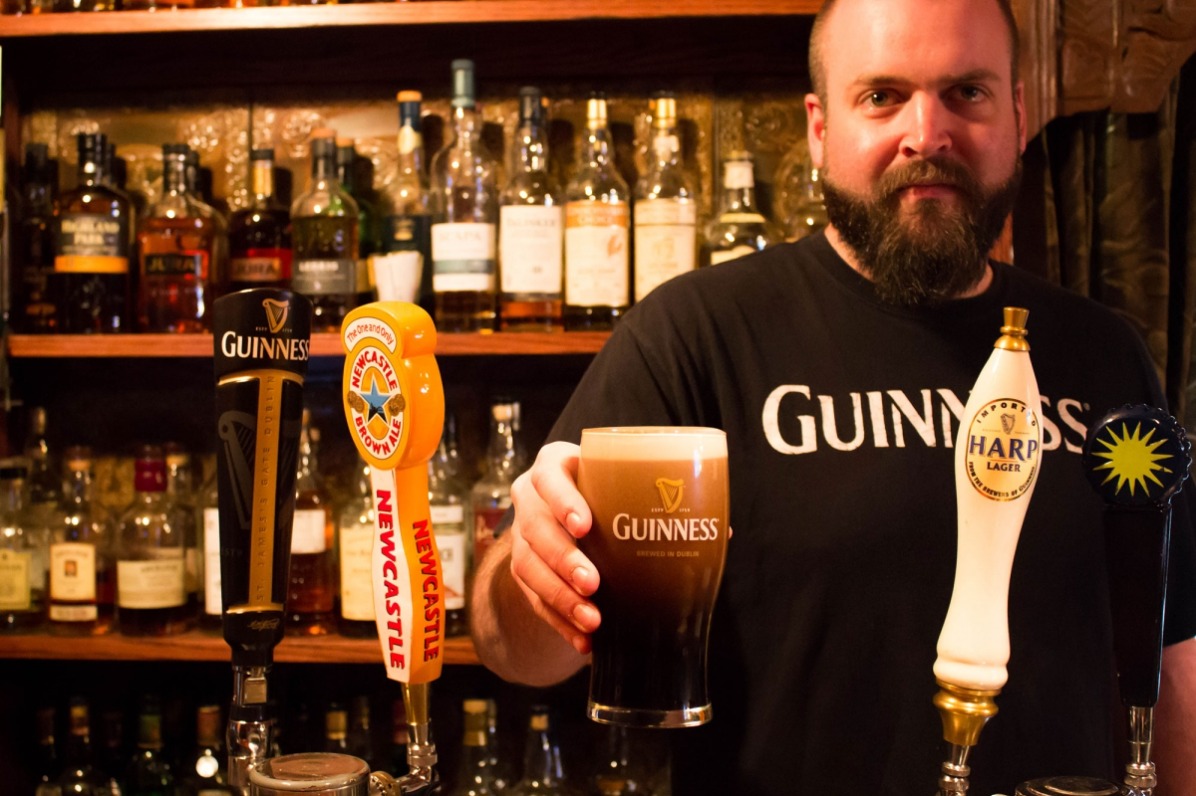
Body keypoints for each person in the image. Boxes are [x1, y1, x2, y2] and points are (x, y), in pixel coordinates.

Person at [469, 0, 1196, 792]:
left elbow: (1176, 654)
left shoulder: (1104, 355)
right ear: (819, 128)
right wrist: (530, 571)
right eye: (883, 96)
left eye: (968, 93)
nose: (927, 133)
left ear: (1018, 114)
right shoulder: (696, 334)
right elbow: (514, 652)